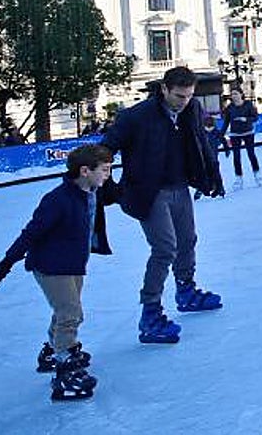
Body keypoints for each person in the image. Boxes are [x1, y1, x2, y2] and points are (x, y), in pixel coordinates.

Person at [0, 144, 115, 401]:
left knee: (65, 311)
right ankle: (64, 372)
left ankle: (52, 350)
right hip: (51, 266)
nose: (108, 175)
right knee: (71, 313)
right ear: (84, 171)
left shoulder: (90, 192)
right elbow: (31, 232)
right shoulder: (57, 200)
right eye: (104, 170)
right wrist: (4, 265)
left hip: (74, 263)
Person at [100, 66, 224, 345]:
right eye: (179, 96)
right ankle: (150, 313)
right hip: (150, 192)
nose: (185, 101)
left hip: (180, 185)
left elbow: (200, 141)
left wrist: (212, 173)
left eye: (190, 96)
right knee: (164, 248)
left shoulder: (191, 109)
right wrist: (112, 189)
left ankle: (186, 290)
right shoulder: (135, 117)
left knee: (188, 240)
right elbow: (106, 148)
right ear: (164, 89)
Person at [222, 87, 261, 189]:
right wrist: (220, 134)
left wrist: (246, 119)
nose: (233, 96)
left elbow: (255, 117)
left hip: (248, 132)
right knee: (236, 156)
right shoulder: (230, 107)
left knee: (251, 153)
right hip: (235, 134)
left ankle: (257, 174)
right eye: (232, 94)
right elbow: (226, 122)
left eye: (235, 94)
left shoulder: (248, 104)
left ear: (241, 94)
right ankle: (238, 178)